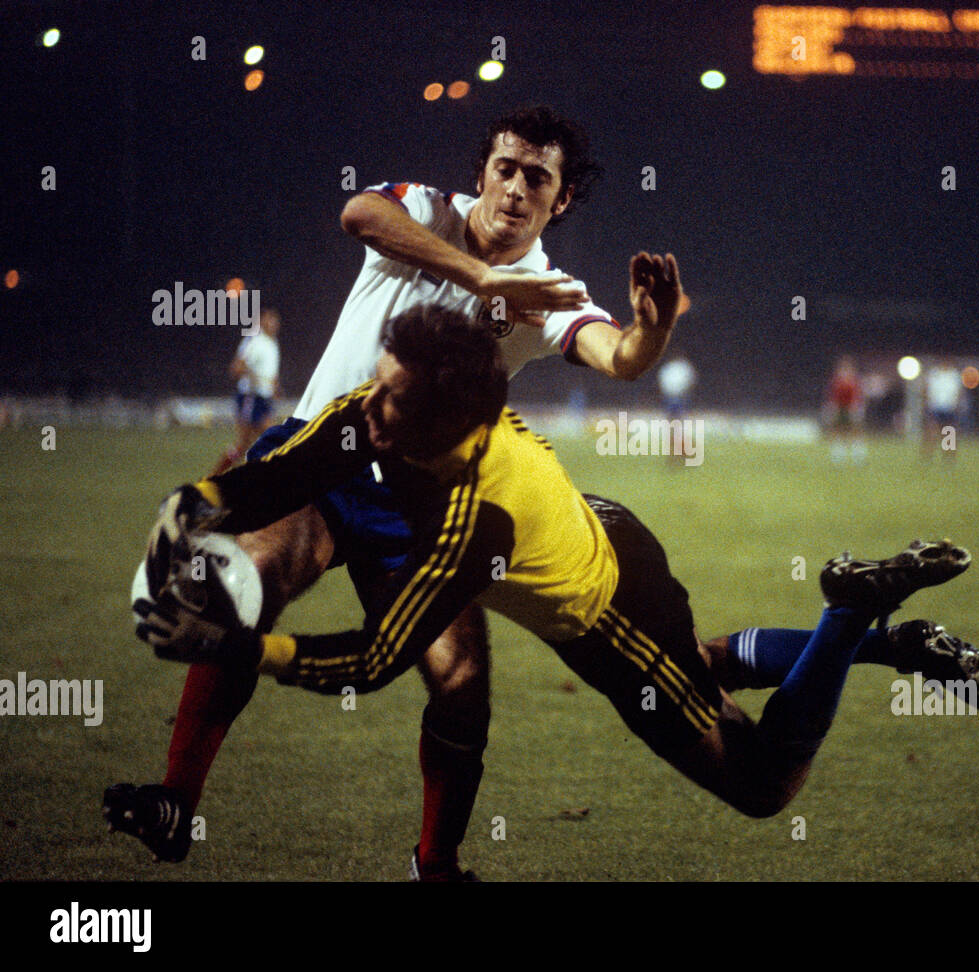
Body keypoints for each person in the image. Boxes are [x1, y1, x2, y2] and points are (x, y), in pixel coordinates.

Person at [125, 305, 979, 878]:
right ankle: (888, 641)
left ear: (443, 427)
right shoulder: (391, 413)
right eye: (378, 385)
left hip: (615, 614)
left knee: (762, 785)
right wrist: (194, 506)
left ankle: (846, 618)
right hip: (597, 528)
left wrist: (245, 647)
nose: (369, 410)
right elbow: (288, 472)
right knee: (707, 663)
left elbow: (377, 658)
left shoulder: (476, 523)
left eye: (391, 401)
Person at [105, 106, 681, 879]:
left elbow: (619, 356)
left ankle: (433, 865)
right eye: (504, 169)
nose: (514, 189)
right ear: (482, 171)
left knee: (461, 679)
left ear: (561, 198)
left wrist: (652, 332)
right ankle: (175, 800)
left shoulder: (551, 290)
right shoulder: (426, 209)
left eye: (536, 178)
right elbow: (357, 213)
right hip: (322, 451)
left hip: (416, 497)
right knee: (253, 585)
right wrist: (480, 277)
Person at [210, 309, 282, 477]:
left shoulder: (273, 343)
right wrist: (255, 378)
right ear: (261, 321)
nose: (274, 324)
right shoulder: (254, 341)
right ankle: (214, 478)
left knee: (256, 443)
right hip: (251, 398)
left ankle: (222, 478)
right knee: (254, 443)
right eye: (270, 320)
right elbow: (237, 367)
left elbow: (270, 373)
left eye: (276, 321)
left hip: (264, 400)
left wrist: (275, 387)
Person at [823, 355, 866, 463]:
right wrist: (832, 408)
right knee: (838, 430)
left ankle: (858, 455)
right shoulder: (836, 381)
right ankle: (838, 455)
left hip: (852, 408)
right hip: (840, 408)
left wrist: (857, 407)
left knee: (855, 431)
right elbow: (832, 396)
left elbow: (858, 395)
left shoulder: (854, 381)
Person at [923, 358, 963, 459]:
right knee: (932, 431)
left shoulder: (954, 375)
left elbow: (958, 392)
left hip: (950, 407)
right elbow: (926, 389)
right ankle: (928, 455)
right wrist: (927, 403)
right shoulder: (934, 374)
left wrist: (957, 405)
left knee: (948, 433)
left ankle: (948, 457)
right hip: (935, 406)